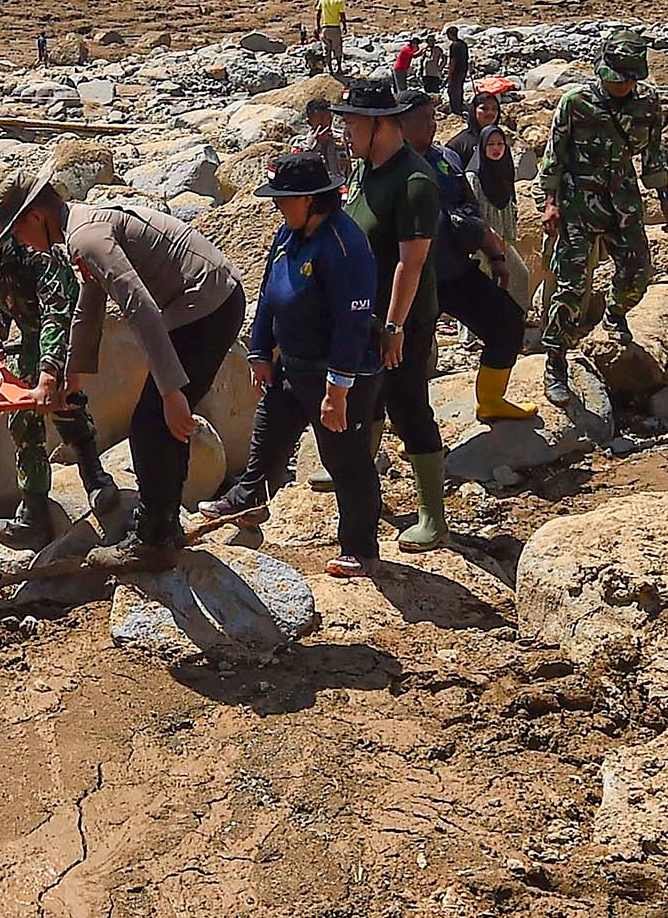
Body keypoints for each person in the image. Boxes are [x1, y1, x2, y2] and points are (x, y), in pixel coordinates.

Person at [0, 164, 247, 573]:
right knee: (159, 424)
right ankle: (166, 529)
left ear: (35, 216)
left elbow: (141, 308)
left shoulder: (86, 237)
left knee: (149, 424)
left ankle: (152, 541)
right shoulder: (80, 229)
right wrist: (74, 374)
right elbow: (90, 304)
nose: (20, 241)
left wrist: (172, 391)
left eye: (17, 231)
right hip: (210, 298)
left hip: (206, 305)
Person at [195, 151, 385, 577]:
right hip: (293, 364)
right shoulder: (288, 234)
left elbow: (353, 323)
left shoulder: (345, 246)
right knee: (269, 432)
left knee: (346, 460)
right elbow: (269, 294)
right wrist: (260, 351)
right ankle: (249, 500)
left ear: (311, 200)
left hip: (338, 373)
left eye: (284, 199)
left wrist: (338, 391)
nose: (278, 206)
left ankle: (360, 548)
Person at [0, 166, 116, 544]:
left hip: (64, 334)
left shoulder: (30, 243)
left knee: (66, 405)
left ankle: (96, 478)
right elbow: (1, 297)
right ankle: (34, 512)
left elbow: (58, 310)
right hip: (29, 341)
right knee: (23, 423)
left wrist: (50, 371)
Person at [336, 76, 451, 551]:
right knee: (365, 397)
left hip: (402, 317)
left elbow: (412, 262)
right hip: (365, 312)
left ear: (380, 125)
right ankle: (361, 478)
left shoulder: (414, 181)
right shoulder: (367, 168)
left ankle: (432, 515)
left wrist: (394, 326)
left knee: (407, 404)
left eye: (352, 125)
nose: (346, 133)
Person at [542, 35, 668, 404]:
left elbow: (653, 153)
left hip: (623, 201)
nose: (621, 85)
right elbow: (554, 155)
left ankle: (615, 314)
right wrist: (549, 203)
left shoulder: (647, 102)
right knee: (571, 288)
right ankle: (555, 361)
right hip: (577, 203)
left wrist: (665, 199)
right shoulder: (575, 103)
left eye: (628, 79)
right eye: (616, 78)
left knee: (638, 273)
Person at [403, 94, 535, 429]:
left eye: (433, 117)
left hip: (454, 270)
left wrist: (496, 254)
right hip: (411, 279)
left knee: (507, 322)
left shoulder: (445, 159)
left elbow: (470, 210)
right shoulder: (389, 167)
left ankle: (491, 401)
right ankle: (407, 424)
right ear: (399, 123)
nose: (432, 125)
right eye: (423, 119)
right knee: (410, 356)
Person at [447, 90, 529, 306]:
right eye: (484, 108)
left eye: (494, 109)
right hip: (477, 235)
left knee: (517, 276)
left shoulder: (502, 154)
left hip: (501, 235)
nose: (490, 113)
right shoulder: (460, 145)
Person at [293, 96, 353, 190]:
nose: (325, 123)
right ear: (310, 122)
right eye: (320, 120)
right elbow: (299, 170)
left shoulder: (342, 138)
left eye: (327, 118)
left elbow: (349, 168)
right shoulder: (300, 144)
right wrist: (315, 144)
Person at [316, 0, 349, 74]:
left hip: (325, 28)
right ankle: (339, 68)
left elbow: (318, 14)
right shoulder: (339, 1)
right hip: (335, 28)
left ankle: (330, 69)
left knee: (327, 49)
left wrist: (318, 26)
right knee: (337, 48)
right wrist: (344, 26)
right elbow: (342, 15)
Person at [442, 26, 471, 119]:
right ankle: (459, 107)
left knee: (452, 91)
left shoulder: (454, 46)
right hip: (463, 70)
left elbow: (453, 61)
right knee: (459, 89)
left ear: (450, 35)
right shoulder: (463, 44)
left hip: (456, 71)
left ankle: (455, 110)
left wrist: (449, 75)